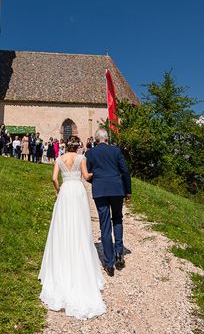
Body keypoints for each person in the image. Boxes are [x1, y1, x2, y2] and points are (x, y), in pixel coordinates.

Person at [38, 137, 106, 319]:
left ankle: (62, 256)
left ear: (66, 145)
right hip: (77, 191)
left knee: (62, 224)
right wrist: (95, 173)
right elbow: (86, 176)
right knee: (80, 224)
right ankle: (78, 251)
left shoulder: (59, 159)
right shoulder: (81, 158)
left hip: (66, 190)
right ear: (77, 146)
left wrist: (58, 189)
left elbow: (53, 178)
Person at [84, 128, 132, 277]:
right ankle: (119, 252)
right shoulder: (116, 151)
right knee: (117, 218)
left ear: (96, 139)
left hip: (100, 191)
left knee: (104, 224)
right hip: (117, 189)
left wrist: (97, 182)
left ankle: (109, 263)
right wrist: (127, 190)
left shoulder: (90, 153)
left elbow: (88, 174)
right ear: (107, 139)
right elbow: (125, 171)